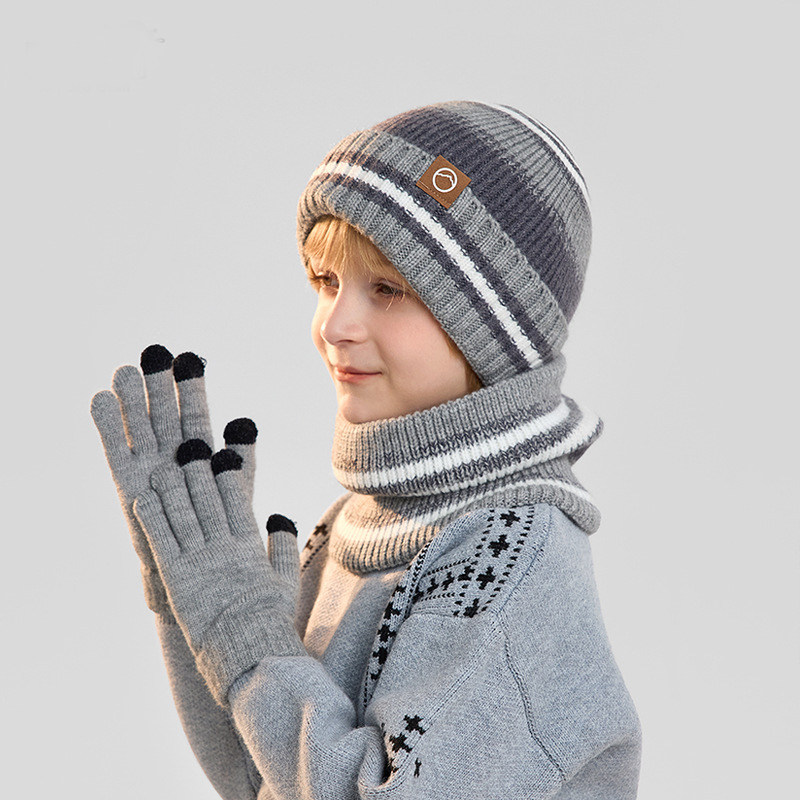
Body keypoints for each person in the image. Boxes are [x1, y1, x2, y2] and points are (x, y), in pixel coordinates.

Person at [91, 99, 642, 799]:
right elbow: (261, 779)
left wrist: (246, 631)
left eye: (387, 289)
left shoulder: (510, 557)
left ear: (493, 334)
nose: (334, 324)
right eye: (325, 282)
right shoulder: (361, 521)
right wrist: (194, 596)